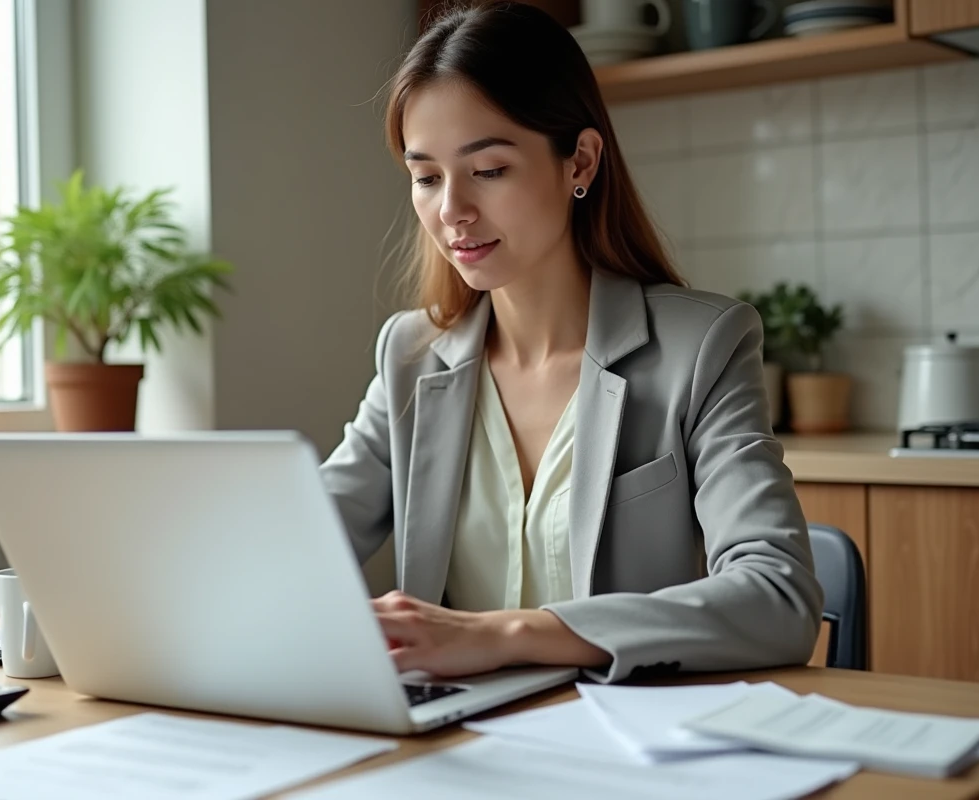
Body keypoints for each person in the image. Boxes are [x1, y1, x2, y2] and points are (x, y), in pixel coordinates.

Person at [319, 0, 823, 685]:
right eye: (427, 177)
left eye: (488, 169)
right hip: (458, 736)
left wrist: (505, 635)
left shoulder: (702, 346)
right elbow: (299, 547)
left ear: (579, 161)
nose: (452, 210)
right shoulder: (410, 357)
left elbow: (779, 599)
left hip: (624, 733)